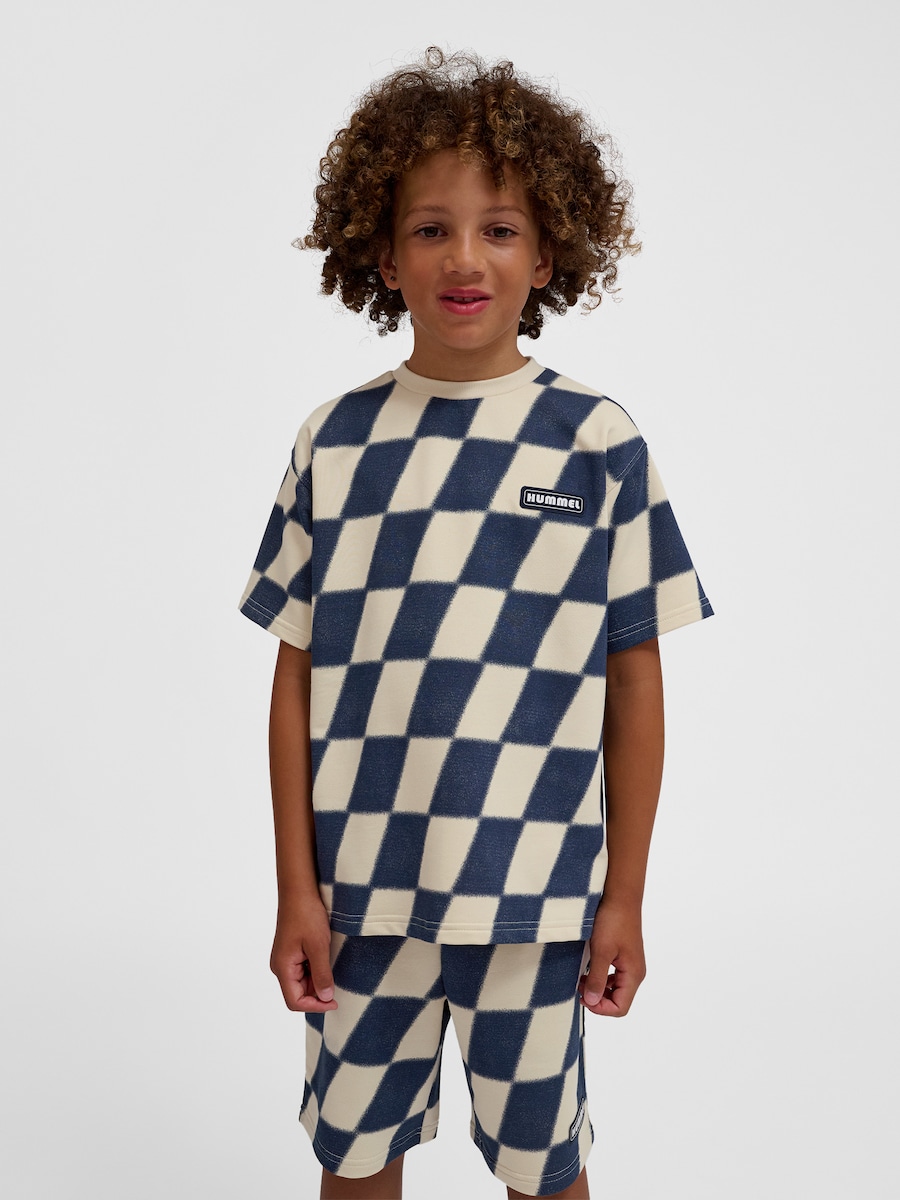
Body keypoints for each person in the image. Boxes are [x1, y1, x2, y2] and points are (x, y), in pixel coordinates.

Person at [239, 48, 713, 1200]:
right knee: (355, 1158)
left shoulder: (598, 443)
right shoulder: (334, 442)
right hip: (361, 902)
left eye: (499, 229)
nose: (465, 258)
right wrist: (298, 888)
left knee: (547, 1171)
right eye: (430, 229)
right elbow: (296, 678)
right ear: (381, 254)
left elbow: (634, 683)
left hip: (536, 902)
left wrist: (624, 895)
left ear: (546, 254)